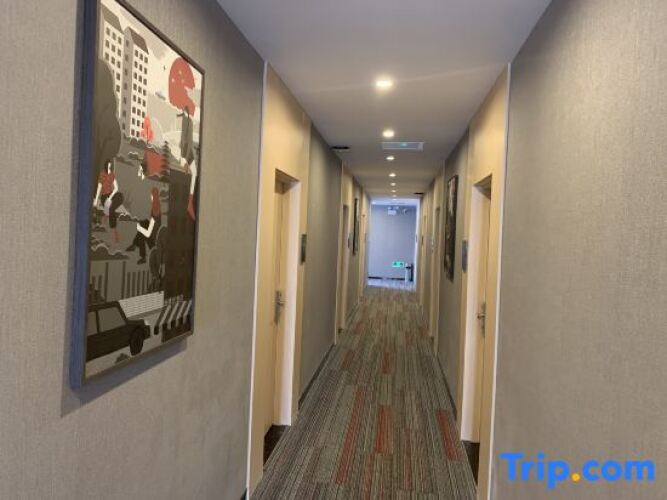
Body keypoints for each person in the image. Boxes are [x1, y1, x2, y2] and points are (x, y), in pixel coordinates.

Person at [126, 187, 161, 265]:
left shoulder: (156, 207)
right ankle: (136, 247)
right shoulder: (155, 205)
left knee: (142, 230)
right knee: (143, 223)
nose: (151, 197)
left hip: (154, 233)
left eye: (152, 195)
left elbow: (149, 231)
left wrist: (140, 228)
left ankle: (140, 252)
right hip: (153, 229)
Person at [93, 160, 124, 243]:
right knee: (111, 209)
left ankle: (107, 214)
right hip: (104, 196)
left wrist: (110, 197)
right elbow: (99, 187)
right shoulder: (102, 174)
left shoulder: (112, 174)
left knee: (120, 196)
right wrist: (96, 200)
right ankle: (114, 231)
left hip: (111, 195)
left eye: (110, 166)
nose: (109, 167)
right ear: (105, 165)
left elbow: (116, 188)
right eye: (108, 166)